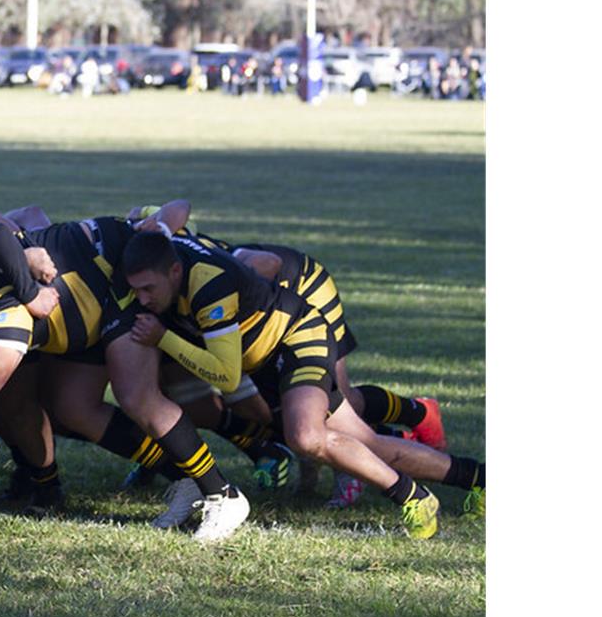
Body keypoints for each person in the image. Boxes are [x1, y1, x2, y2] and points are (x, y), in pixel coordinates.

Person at [108, 231, 484, 540]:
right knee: (365, 444)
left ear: (174, 271)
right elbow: (174, 209)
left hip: (296, 336)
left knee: (306, 437)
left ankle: (413, 497)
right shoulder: (168, 254)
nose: (142, 300)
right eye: (135, 291)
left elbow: (226, 375)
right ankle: (479, 478)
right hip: (268, 359)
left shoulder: (209, 285)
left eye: (147, 290)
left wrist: (163, 338)